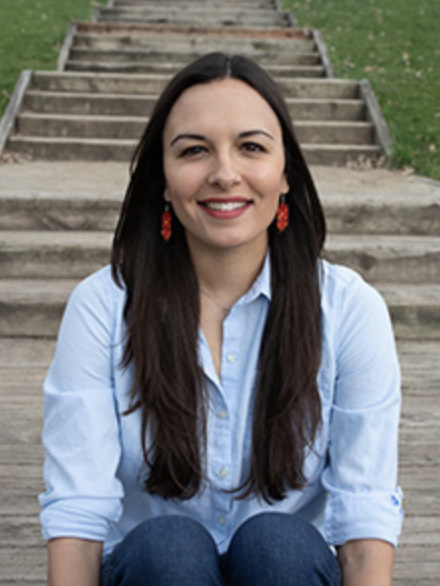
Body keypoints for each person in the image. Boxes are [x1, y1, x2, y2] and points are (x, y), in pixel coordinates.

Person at [39, 52, 403, 586]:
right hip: (153, 574)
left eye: (251, 147)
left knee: (277, 544)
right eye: (193, 151)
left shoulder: (349, 309)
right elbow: (77, 510)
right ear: (162, 180)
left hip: (289, 572)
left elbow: (365, 516)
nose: (224, 174)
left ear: (285, 176)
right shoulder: (103, 306)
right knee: (170, 550)